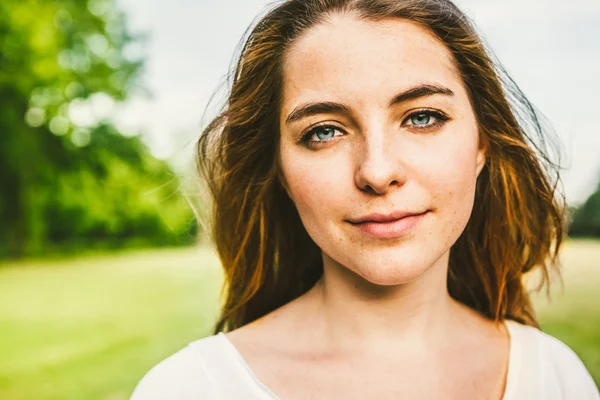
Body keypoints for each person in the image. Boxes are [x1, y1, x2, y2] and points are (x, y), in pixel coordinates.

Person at [131, 0, 600, 399]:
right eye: (324, 131)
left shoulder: (557, 379)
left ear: (482, 144)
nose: (377, 171)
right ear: (279, 170)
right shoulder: (187, 389)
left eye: (422, 118)